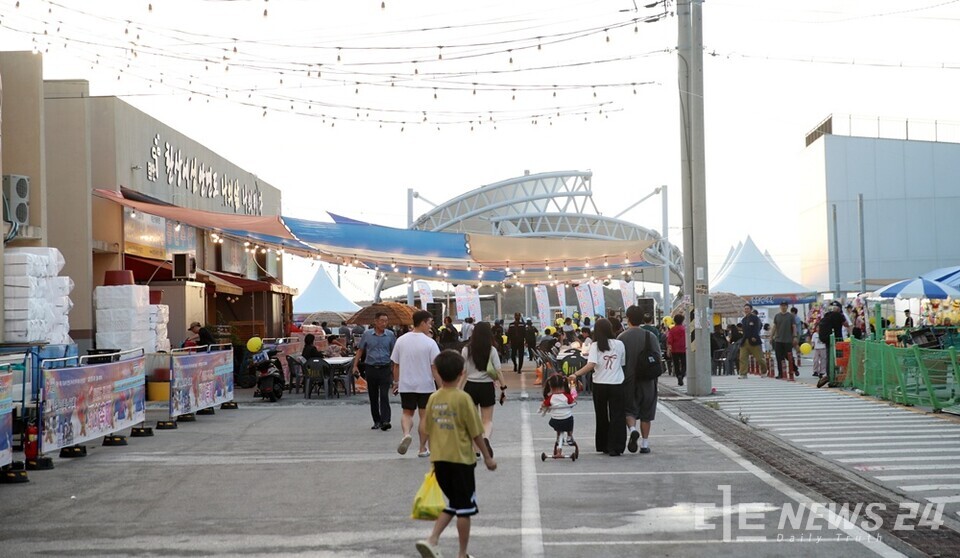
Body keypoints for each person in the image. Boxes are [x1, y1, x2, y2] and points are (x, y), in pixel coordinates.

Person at [416, 350, 496, 558]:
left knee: (456, 502)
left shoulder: (434, 398)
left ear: (438, 372)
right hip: (461, 460)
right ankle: (462, 553)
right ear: (462, 372)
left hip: (439, 460)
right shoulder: (463, 399)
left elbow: (426, 427)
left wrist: (426, 448)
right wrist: (487, 457)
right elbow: (476, 432)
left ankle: (433, 539)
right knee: (465, 509)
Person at [573, 318, 626, 456]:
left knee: (601, 415)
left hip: (600, 384)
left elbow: (591, 365)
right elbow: (622, 363)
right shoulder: (619, 344)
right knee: (617, 415)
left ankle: (603, 444)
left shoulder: (595, 346)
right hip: (617, 383)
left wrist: (576, 374)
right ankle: (616, 446)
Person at [391, 310, 442, 457]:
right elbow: (434, 368)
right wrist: (441, 386)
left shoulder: (401, 340)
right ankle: (422, 448)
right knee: (424, 416)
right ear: (423, 322)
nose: (430, 326)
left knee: (407, 413)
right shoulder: (430, 342)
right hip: (425, 385)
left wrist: (396, 382)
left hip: (406, 384)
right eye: (429, 323)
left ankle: (406, 434)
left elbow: (396, 365)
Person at [618, 308, 660, 454]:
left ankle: (632, 429)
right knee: (646, 413)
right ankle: (645, 444)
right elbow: (657, 358)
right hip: (648, 380)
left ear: (628, 318)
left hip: (628, 380)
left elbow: (619, 361)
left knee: (629, 410)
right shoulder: (650, 336)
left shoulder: (622, 337)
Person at [460, 321, 505, 455]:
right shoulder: (492, 350)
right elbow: (498, 371)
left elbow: (463, 372)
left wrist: (458, 388)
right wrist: (503, 388)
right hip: (486, 387)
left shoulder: (466, 350)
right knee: (487, 420)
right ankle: (485, 438)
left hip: (470, 386)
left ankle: (476, 450)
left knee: (473, 420)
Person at [353, 312, 397, 431]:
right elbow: (360, 350)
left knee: (384, 395)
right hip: (371, 368)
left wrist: (395, 369)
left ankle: (385, 420)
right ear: (376, 321)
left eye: (386, 321)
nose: (384, 323)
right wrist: (355, 365)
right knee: (373, 396)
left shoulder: (390, 335)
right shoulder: (367, 334)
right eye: (382, 321)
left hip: (385, 368)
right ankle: (377, 421)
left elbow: (394, 352)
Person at [539, 373, 577, 455]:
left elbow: (544, 404)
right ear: (563, 385)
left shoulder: (551, 397)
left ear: (550, 387)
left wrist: (542, 407)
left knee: (558, 425)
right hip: (567, 420)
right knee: (570, 420)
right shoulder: (566, 396)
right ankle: (569, 436)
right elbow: (572, 401)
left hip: (555, 421)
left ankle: (558, 437)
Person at [817, 301, 848, 388]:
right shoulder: (839, 315)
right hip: (838, 340)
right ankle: (836, 378)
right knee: (839, 358)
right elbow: (847, 324)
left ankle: (830, 376)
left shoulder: (827, 315)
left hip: (828, 340)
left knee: (829, 358)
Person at [739, 303, 767, 378]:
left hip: (754, 341)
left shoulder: (755, 318)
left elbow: (758, 327)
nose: (746, 310)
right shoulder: (743, 320)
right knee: (742, 357)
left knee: (759, 358)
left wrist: (754, 336)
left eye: (748, 309)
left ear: (751, 310)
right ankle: (743, 373)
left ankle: (764, 371)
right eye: (745, 309)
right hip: (745, 341)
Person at [771, 301, 798, 379]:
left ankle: (794, 369)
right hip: (778, 340)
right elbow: (774, 326)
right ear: (780, 306)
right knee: (779, 357)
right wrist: (771, 336)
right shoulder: (777, 316)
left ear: (787, 307)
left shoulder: (790, 316)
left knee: (789, 356)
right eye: (782, 305)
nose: (783, 307)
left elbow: (794, 326)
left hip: (788, 340)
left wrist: (795, 336)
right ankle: (781, 374)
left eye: (785, 306)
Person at [666, 314, 687, 386]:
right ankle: (682, 375)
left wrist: (668, 350)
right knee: (684, 364)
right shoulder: (685, 329)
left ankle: (678, 375)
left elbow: (670, 341)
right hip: (684, 349)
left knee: (676, 364)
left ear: (674, 321)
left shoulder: (672, 330)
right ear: (682, 321)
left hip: (675, 350)